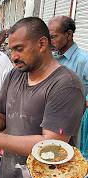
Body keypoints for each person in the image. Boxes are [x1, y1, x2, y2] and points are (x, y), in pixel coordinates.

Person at [0, 17, 85, 178]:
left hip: (44, 175)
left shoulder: (66, 85)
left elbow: (52, 146)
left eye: (19, 49)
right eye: (11, 50)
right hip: (9, 172)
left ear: (42, 44)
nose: (14, 57)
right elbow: (0, 115)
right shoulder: (15, 74)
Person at [48, 16, 88, 159]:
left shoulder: (84, 60)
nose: (49, 41)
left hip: (75, 125)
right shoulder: (52, 58)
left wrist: (82, 104)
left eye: (53, 37)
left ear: (69, 35)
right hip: (52, 122)